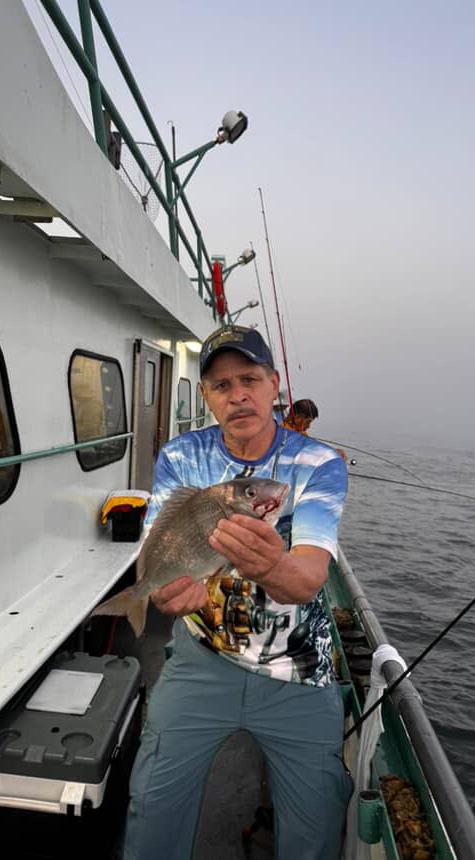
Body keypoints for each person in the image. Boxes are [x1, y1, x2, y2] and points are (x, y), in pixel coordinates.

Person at [123, 325, 352, 860]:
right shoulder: (180, 458)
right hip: (200, 657)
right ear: (206, 397)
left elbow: (309, 579)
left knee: (316, 826)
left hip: (298, 670)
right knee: (151, 807)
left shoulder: (320, 464)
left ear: (275, 385)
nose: (238, 394)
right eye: (221, 385)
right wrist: (165, 595)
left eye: (249, 379)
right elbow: (161, 556)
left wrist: (272, 564)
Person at [283, 398, 348, 463]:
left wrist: (332, 451)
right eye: (308, 422)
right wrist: (331, 454)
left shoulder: (300, 431)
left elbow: (312, 445)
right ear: (297, 417)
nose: (308, 426)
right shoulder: (285, 432)